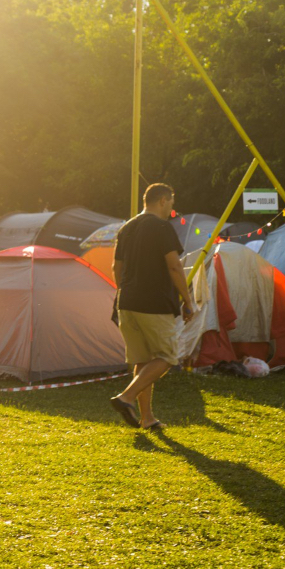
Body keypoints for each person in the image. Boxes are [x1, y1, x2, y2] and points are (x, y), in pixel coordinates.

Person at [110, 183, 195, 431]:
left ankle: (147, 418)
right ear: (162, 201)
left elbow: (116, 268)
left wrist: (126, 293)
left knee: (142, 360)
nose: (171, 209)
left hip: (126, 303)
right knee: (167, 357)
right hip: (154, 303)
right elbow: (174, 266)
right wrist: (187, 301)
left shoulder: (126, 228)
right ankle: (126, 397)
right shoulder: (161, 227)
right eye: (171, 204)